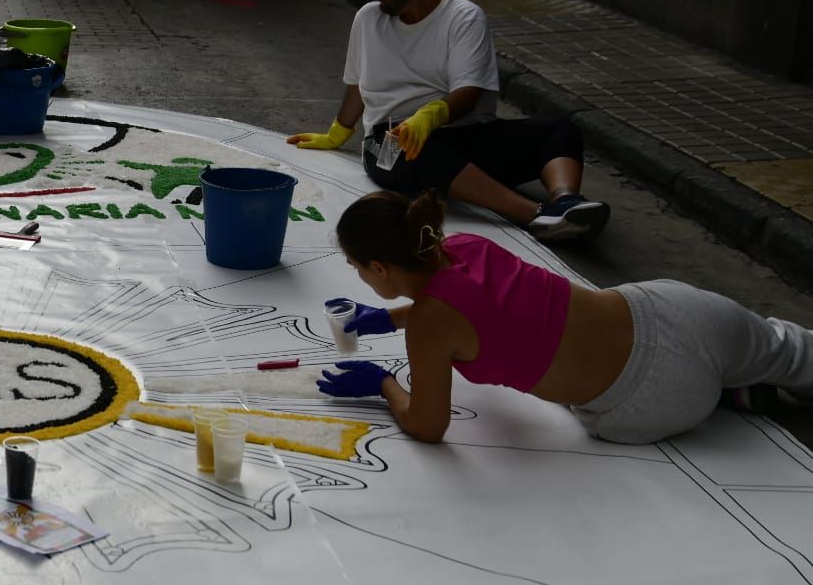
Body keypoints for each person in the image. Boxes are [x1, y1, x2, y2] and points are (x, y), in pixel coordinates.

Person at [316, 190, 813, 446]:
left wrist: (383, 384)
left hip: (651, 398)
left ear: (379, 267)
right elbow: (479, 309)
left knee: (582, 411)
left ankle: (726, 392)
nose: (358, 275)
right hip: (675, 311)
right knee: (792, 350)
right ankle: (738, 381)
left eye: (356, 266)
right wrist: (390, 319)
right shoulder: (464, 245)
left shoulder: (430, 324)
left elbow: (428, 426)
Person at [287, 0, 610, 243]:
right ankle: (540, 216)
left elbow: (469, 92)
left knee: (559, 130)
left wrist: (428, 117)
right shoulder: (368, 18)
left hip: (466, 135)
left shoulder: (463, 17)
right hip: (390, 141)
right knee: (411, 149)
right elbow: (357, 85)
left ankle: (566, 201)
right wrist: (337, 133)